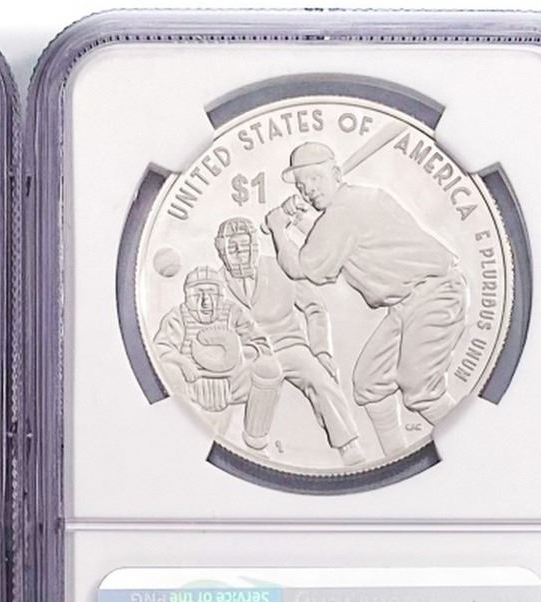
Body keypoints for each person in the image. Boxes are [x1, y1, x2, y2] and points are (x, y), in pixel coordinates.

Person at [262, 140, 467, 459]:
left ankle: (474, 446)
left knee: (420, 391)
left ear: (336, 173)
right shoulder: (362, 199)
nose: (308, 190)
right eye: (301, 185)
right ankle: (397, 460)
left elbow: (302, 267)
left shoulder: (342, 214)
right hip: (408, 304)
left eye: (315, 178)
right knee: (370, 384)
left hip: (434, 296)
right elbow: (337, 244)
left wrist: (278, 229)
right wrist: (300, 220)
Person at [213, 216, 367, 466]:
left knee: (321, 379)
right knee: (226, 393)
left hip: (289, 345)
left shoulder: (281, 268)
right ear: (222, 251)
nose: (240, 252)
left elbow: (315, 308)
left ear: (255, 245)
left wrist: (322, 352)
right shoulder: (215, 285)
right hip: (249, 355)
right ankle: (252, 446)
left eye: (245, 245)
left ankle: (349, 445)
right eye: (233, 247)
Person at [152, 266, 283, 451]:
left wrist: (238, 355)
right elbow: (159, 350)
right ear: (188, 296)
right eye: (198, 293)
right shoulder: (177, 317)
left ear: (221, 295)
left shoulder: (233, 312)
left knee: (269, 367)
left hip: (233, 383)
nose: (205, 301)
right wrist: (182, 362)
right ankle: (179, 432)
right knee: (167, 369)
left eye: (211, 293)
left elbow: (260, 344)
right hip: (192, 383)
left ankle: (255, 441)